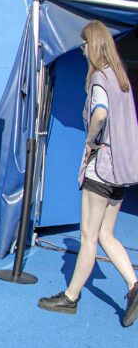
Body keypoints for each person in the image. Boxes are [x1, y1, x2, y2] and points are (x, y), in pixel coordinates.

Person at [39, 21, 138, 328]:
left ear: (92, 45)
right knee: (107, 234)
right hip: (123, 171)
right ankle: (135, 285)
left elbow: (100, 113)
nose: (81, 51)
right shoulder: (121, 79)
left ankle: (70, 297)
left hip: (102, 167)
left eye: (83, 45)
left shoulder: (99, 77)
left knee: (88, 236)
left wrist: (90, 140)